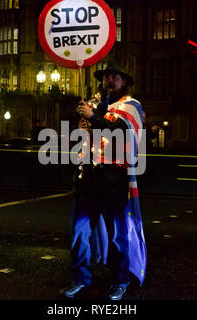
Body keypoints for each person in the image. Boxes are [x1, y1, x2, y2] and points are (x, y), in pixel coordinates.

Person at [60, 62, 147, 300]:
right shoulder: (93, 105)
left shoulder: (131, 107)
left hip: (112, 182)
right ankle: (80, 278)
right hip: (87, 180)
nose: (108, 81)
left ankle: (121, 280)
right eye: (106, 76)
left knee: (118, 237)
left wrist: (94, 119)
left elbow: (121, 134)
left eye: (114, 77)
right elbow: (82, 140)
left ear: (125, 82)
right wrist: (82, 129)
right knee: (79, 233)